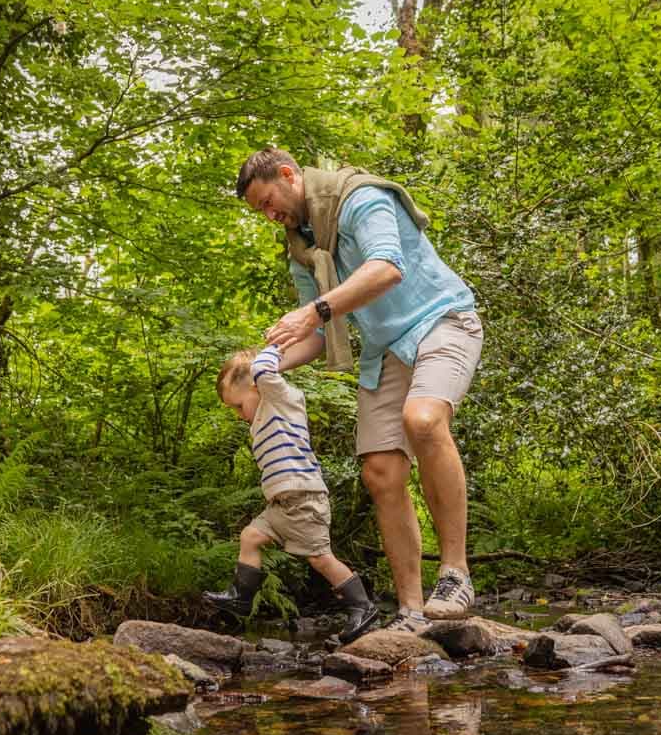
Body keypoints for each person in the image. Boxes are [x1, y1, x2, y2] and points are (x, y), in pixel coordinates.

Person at [236, 147, 482, 631]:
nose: (270, 215)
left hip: (442, 323)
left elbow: (387, 267)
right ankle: (411, 611)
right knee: (381, 471)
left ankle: (456, 574)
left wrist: (316, 311)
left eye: (268, 201)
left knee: (424, 420)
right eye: (260, 212)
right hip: (385, 350)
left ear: (289, 175)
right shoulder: (301, 247)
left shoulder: (360, 198)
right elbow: (315, 334)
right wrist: (261, 367)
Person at [203, 345, 380, 645]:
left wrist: (276, 345)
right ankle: (241, 597)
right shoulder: (260, 418)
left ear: (257, 387)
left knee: (321, 559)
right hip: (281, 506)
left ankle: (362, 606)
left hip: (304, 499)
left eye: (237, 405)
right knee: (250, 537)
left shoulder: (282, 399)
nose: (237, 414)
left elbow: (262, 369)